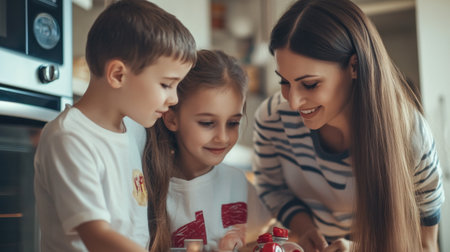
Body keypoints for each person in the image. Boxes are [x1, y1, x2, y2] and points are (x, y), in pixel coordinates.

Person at [252, 0, 444, 252]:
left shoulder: (410, 136)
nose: (294, 101)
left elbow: (425, 246)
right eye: (284, 82)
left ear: (354, 66)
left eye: (309, 84)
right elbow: (272, 189)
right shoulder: (272, 118)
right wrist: (307, 229)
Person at [33, 0, 196, 251]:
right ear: (118, 75)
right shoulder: (69, 138)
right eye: (166, 84)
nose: (174, 98)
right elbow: (96, 235)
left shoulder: (135, 130)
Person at [144, 50, 273, 252]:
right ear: (171, 119)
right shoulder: (149, 189)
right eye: (207, 123)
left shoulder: (237, 182)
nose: (222, 137)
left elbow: (262, 238)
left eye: (232, 123)